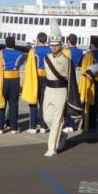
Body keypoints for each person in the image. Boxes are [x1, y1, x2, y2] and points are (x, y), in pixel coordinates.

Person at [42, 24, 72, 156]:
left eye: (56, 45)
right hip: (48, 90)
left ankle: (51, 148)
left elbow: (70, 78)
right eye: (51, 45)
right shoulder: (46, 58)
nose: (53, 47)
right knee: (46, 117)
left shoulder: (66, 60)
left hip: (60, 90)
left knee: (56, 119)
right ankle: (62, 134)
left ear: (60, 45)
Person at [0, 36, 25, 133]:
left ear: (5, 44)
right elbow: (21, 63)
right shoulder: (21, 54)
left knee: (1, 103)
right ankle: (14, 127)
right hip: (15, 80)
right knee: (14, 104)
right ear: (14, 44)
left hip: (4, 80)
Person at [22, 32, 51, 134]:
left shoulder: (33, 51)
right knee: (44, 102)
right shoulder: (50, 50)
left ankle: (33, 126)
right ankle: (43, 126)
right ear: (45, 40)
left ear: (38, 39)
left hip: (36, 77)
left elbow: (29, 67)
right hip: (47, 77)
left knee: (33, 102)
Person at [79, 35, 98, 132]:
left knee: (88, 101)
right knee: (97, 102)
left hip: (91, 80)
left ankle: (85, 123)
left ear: (92, 45)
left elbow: (80, 64)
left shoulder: (89, 54)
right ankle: (93, 123)